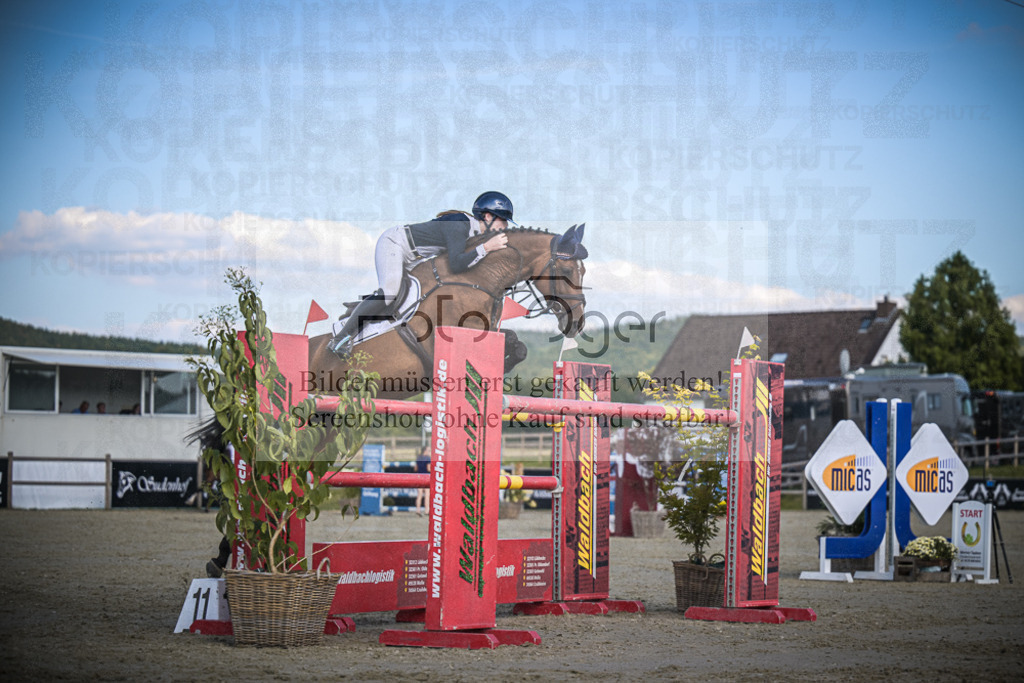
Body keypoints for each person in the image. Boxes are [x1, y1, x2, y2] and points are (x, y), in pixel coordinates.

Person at [329, 191, 515, 353]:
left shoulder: (474, 234)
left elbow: (470, 264)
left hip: (413, 258)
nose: (505, 226)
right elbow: (457, 264)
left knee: (404, 304)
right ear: (488, 217)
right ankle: (341, 338)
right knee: (389, 294)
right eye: (503, 220)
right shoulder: (461, 224)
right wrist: (487, 247)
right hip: (396, 244)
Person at [414, 446, 430, 516]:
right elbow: (429, 469)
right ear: (425, 451)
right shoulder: (428, 458)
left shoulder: (418, 458)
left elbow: (415, 469)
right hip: (426, 477)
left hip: (419, 477)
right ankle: (426, 510)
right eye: (429, 450)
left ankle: (418, 509)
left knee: (419, 495)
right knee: (427, 494)